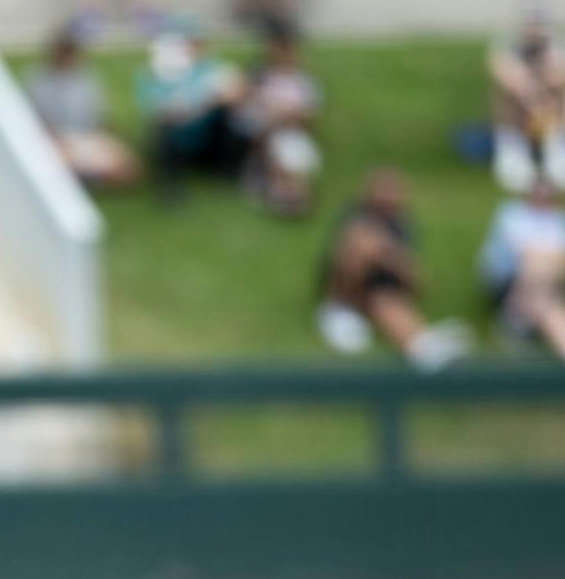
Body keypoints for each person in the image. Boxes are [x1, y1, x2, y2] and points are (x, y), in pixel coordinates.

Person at [314, 169, 471, 370]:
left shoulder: (402, 225)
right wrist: (390, 256)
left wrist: (396, 264)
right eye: (384, 190)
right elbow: (352, 252)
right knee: (365, 247)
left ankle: (422, 345)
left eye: (394, 191)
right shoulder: (354, 216)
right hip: (347, 292)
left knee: (387, 300)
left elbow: (417, 281)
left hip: (378, 291)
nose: (389, 197)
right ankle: (338, 311)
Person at [477, 177, 565, 372]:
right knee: (540, 273)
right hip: (509, 281)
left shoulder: (563, 221)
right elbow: (520, 252)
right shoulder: (512, 214)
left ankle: (517, 318)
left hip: (543, 285)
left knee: (545, 294)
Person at [134, 19, 249, 201]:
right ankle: (170, 187)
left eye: (198, 43)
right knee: (163, 130)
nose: (195, 48)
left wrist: (221, 97)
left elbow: (233, 92)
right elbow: (155, 110)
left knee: (231, 118)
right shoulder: (153, 73)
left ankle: (228, 169)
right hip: (176, 141)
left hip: (206, 139)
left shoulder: (214, 68)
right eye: (189, 43)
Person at [25, 24, 142, 190]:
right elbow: (34, 120)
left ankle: (88, 175)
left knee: (129, 170)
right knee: (60, 160)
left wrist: (110, 137)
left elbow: (98, 115)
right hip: (56, 139)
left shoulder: (87, 78)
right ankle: (83, 175)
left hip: (87, 136)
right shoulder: (37, 80)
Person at [487, 4, 565, 192]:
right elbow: (504, 73)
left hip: (552, 115)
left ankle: (556, 146)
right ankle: (515, 148)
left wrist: (542, 89)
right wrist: (532, 93)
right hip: (517, 116)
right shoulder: (508, 44)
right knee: (513, 90)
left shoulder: (559, 44)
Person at [234, 23, 322, 217]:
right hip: (264, 131)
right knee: (277, 144)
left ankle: (285, 192)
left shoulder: (303, 81)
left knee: (286, 150)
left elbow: (309, 115)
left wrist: (292, 116)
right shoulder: (257, 77)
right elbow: (243, 110)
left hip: (287, 133)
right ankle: (279, 185)